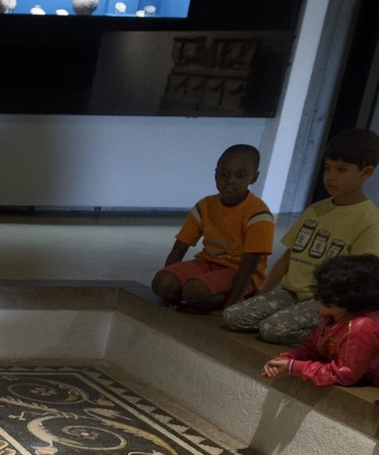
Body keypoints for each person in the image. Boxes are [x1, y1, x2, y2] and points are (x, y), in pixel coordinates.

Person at [223, 128, 379, 344]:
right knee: (233, 316)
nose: (331, 177)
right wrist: (263, 290)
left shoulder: (369, 219)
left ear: (366, 172)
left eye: (342, 170)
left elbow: (362, 277)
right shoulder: (316, 209)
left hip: (326, 302)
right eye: (328, 168)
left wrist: (339, 310)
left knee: (272, 329)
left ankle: (336, 337)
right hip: (290, 293)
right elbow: (288, 256)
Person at [152, 143, 275, 312]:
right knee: (162, 283)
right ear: (215, 173)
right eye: (224, 174)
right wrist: (167, 289)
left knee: (194, 292)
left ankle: (241, 297)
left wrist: (231, 304)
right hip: (208, 263)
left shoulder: (259, 214)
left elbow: (249, 266)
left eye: (240, 175)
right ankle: (197, 295)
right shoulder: (205, 206)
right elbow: (179, 248)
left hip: (239, 272)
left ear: (254, 177)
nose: (230, 181)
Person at [261, 253, 379, 387]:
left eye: (321, 289)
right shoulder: (330, 317)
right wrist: (288, 358)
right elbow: (312, 347)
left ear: (341, 297)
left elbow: (345, 374)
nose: (316, 295)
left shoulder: (361, 327)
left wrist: (293, 367)